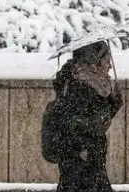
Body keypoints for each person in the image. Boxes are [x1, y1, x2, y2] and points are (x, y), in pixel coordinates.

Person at [50, 40, 124, 192]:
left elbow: (93, 120)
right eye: (106, 61)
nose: (110, 66)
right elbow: (85, 125)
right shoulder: (80, 88)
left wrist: (113, 104)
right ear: (94, 63)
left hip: (86, 167)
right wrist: (111, 104)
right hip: (82, 169)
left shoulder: (86, 85)